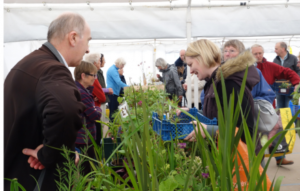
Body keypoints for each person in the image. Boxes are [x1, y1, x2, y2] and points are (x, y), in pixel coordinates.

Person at [4, 13, 91, 191]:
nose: (88, 49)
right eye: (88, 41)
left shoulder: (28, 64)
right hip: (35, 179)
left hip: (15, 175)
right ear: (73, 38)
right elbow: (64, 110)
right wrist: (53, 153)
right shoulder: (53, 69)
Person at [183, 39, 261, 154]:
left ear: (202, 58)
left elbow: (245, 131)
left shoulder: (228, 83)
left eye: (191, 64)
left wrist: (209, 130)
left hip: (241, 161)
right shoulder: (213, 81)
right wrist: (193, 112)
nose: (190, 71)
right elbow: (217, 115)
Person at [251, 44, 299, 165]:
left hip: (267, 106)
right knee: (256, 134)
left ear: (263, 53)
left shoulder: (270, 66)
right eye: (255, 54)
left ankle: (279, 157)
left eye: (260, 53)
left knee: (275, 130)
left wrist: (297, 82)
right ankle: (258, 159)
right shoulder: (247, 68)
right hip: (251, 106)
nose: (258, 56)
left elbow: (288, 72)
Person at [74, 61, 102, 175]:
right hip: (84, 138)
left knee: (86, 168)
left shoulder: (80, 90)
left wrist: (95, 107)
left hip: (81, 137)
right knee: (89, 171)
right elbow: (95, 115)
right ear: (83, 75)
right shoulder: (82, 93)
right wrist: (98, 109)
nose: (95, 78)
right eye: (93, 75)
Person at [85, 53, 113, 143]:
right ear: (94, 63)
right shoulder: (93, 76)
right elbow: (102, 96)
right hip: (94, 109)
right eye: (99, 62)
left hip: (90, 109)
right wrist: (95, 97)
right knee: (96, 135)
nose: (100, 63)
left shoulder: (85, 74)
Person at [273, 42, 300, 108]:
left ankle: (290, 118)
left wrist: (296, 84)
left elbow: (298, 71)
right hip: (278, 88)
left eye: (276, 49)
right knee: (279, 107)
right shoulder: (275, 60)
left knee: (289, 107)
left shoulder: (293, 58)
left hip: (291, 88)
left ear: (283, 49)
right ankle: (280, 118)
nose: (275, 51)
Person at [106, 58, 129, 122]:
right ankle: (111, 129)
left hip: (114, 93)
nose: (123, 67)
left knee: (114, 112)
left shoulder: (115, 69)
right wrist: (129, 87)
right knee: (113, 112)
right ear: (119, 63)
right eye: (122, 65)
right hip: (112, 93)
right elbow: (119, 82)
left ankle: (113, 129)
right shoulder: (113, 70)